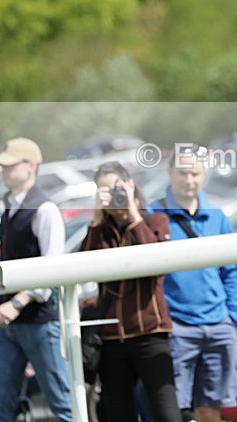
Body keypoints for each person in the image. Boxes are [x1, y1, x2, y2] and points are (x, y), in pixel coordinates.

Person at [150, 144, 237, 422]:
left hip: (219, 324)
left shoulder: (217, 217)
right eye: (183, 173)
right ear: (169, 172)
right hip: (176, 327)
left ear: (204, 175)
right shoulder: (153, 215)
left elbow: (234, 271)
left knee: (211, 409)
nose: (189, 180)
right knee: (173, 410)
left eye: (195, 173)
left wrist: (232, 315)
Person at [80, 161, 182, 422]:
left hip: (151, 332)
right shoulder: (100, 231)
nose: (112, 195)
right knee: (118, 415)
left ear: (130, 185)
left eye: (116, 188)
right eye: (104, 190)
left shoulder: (154, 220)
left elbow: (158, 266)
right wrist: (97, 218)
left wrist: (133, 216)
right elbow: (83, 268)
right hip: (113, 338)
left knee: (167, 414)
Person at [0, 137, 73, 422]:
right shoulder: (9, 206)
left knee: (64, 404)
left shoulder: (45, 210)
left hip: (39, 323)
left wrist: (16, 303)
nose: (3, 171)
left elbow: (51, 271)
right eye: (2, 166)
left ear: (32, 166)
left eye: (10, 165)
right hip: (10, 324)